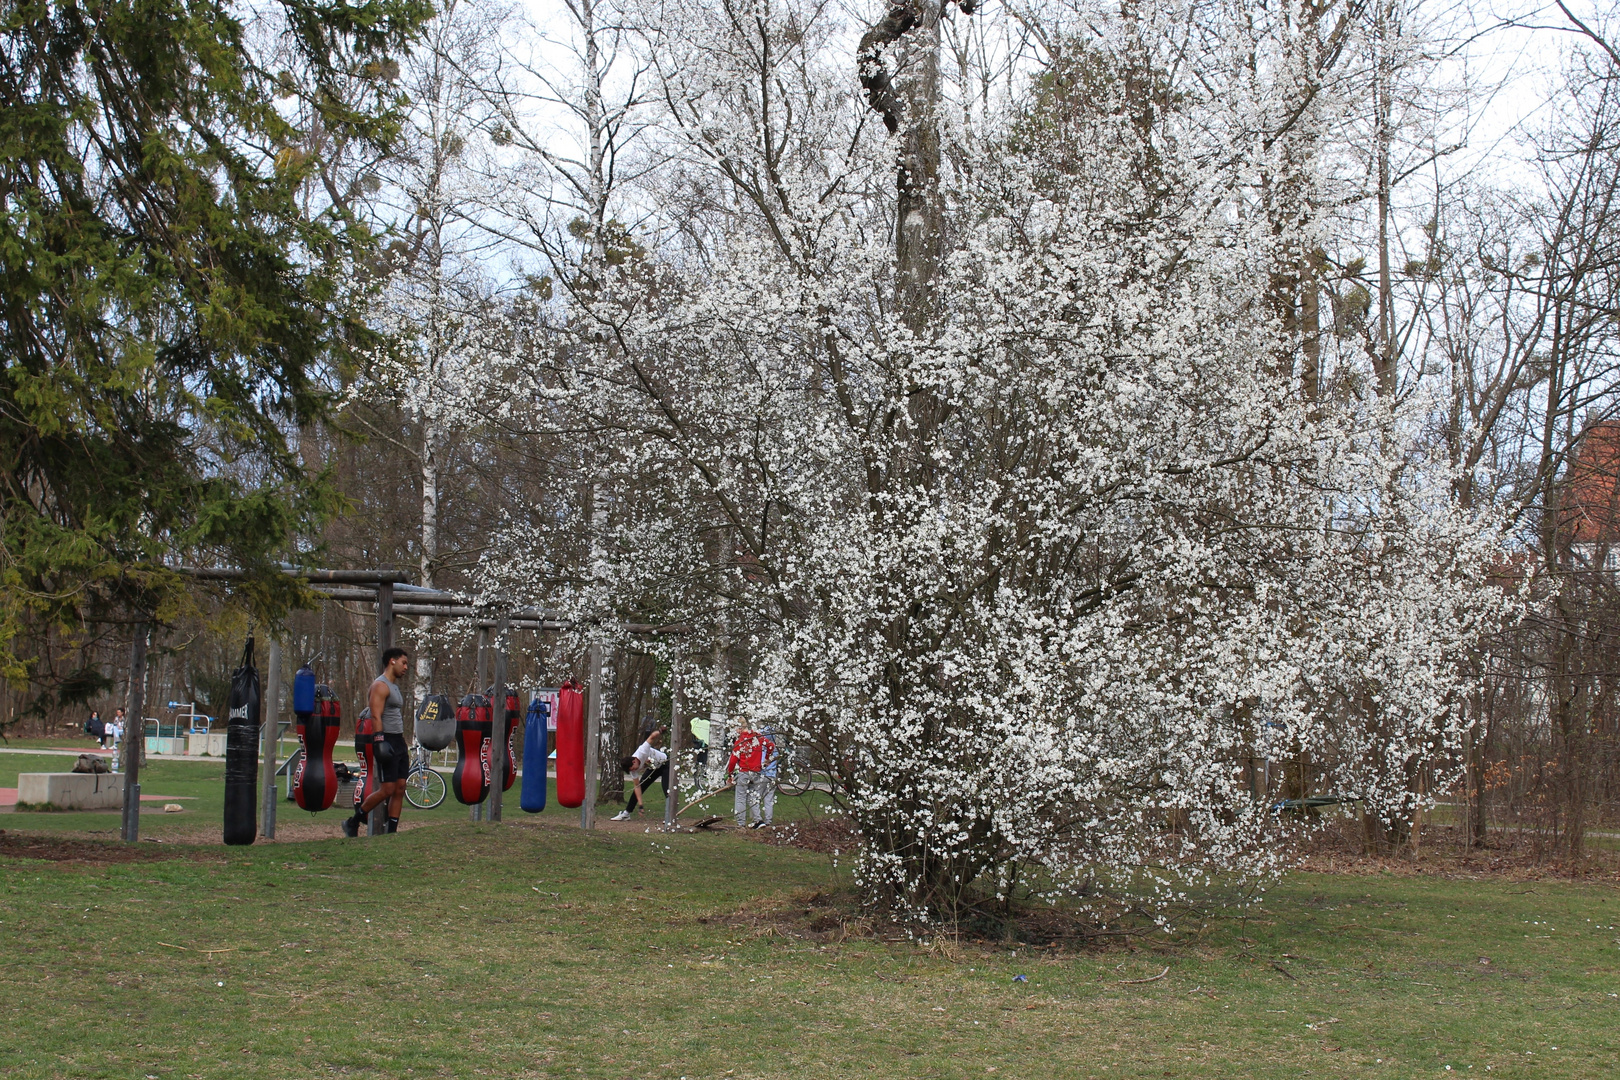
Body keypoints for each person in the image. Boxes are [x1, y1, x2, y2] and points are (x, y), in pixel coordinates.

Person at [342, 647, 411, 836]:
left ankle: (392, 832)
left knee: (400, 787)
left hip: (398, 740)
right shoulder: (380, 686)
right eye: (403, 663)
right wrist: (379, 740)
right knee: (387, 789)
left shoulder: (394, 686)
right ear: (392, 661)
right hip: (386, 739)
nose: (406, 667)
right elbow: (375, 715)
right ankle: (352, 822)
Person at [612, 724, 669, 821]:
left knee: (667, 789)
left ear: (634, 761)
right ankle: (626, 813)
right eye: (631, 770)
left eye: (633, 768)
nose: (633, 771)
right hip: (653, 769)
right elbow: (637, 787)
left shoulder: (642, 751)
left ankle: (669, 816)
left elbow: (651, 737)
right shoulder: (632, 770)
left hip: (665, 764)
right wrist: (640, 804)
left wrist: (659, 731)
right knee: (641, 786)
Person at [727, 724, 776, 829]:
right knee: (753, 797)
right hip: (756, 772)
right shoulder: (757, 737)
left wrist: (730, 774)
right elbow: (771, 745)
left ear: (740, 728)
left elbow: (732, 761)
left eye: (736, 728)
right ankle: (758, 820)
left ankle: (741, 823)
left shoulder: (740, 741)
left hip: (744, 771)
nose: (735, 731)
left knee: (741, 797)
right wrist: (767, 758)